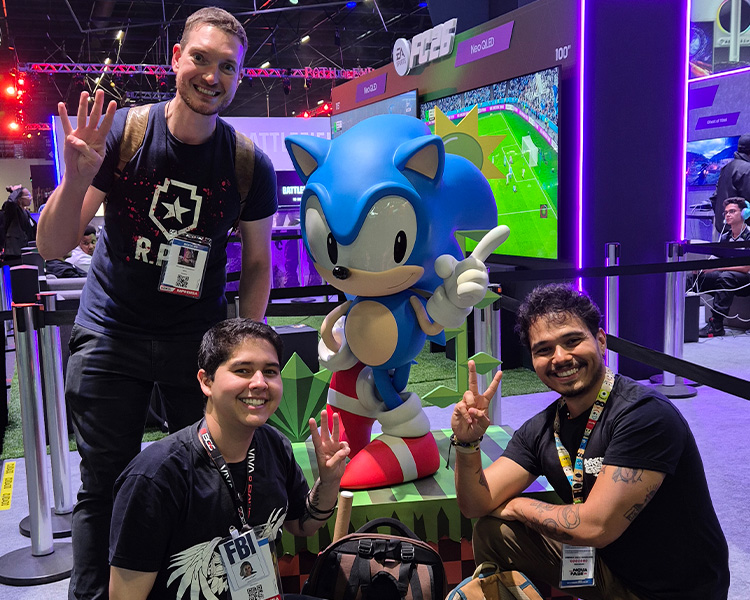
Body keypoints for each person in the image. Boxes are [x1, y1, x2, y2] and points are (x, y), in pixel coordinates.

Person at [36, 7, 277, 599]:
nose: (212, 76)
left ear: (240, 76)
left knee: (207, 475)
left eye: (228, 66)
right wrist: (76, 177)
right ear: (176, 58)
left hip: (196, 339)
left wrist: (247, 350)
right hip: (110, 331)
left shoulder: (248, 163)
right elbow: (52, 244)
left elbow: (256, 263)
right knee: (104, 484)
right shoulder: (126, 134)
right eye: (201, 58)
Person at [451, 283, 729, 600]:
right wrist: (467, 444)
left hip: (674, 591)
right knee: (493, 531)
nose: (560, 358)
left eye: (572, 341)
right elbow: (475, 504)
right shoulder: (544, 427)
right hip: (605, 568)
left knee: (525, 519)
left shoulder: (644, 415)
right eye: (544, 350)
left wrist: (518, 505)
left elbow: (597, 527)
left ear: (600, 341)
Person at [108, 319, 349, 600]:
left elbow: (302, 525)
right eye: (242, 370)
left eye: (270, 371)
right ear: (206, 381)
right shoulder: (155, 477)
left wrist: (328, 482)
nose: (259, 383)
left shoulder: (273, 445)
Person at [692, 197, 750, 337]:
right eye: (726, 212)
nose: (728, 215)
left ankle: (716, 325)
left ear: (744, 214)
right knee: (694, 278)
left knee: (726, 276)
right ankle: (676, 317)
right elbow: (715, 259)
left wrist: (718, 268)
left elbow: (745, 268)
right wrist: (703, 268)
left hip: (746, 281)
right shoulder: (725, 237)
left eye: (732, 211)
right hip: (728, 277)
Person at [711, 133, 750, 234]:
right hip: (743, 233)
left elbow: (715, 198)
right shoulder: (747, 169)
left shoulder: (725, 168)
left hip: (725, 231)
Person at [1, 185, 37, 262]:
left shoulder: (26, 212)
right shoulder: (11, 210)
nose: (31, 198)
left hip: (25, 250)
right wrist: (15, 191)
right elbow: (11, 202)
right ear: (20, 199)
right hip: (14, 253)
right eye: (28, 196)